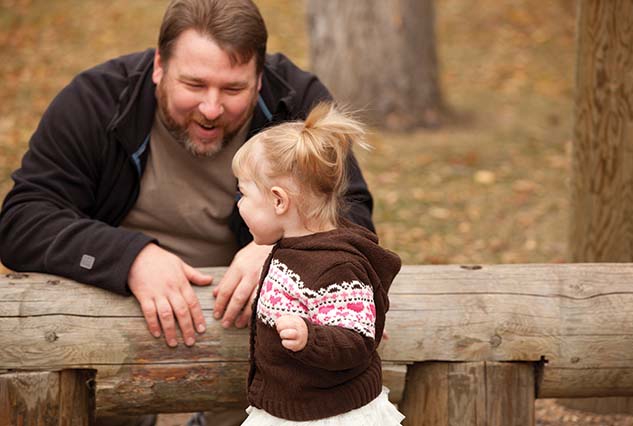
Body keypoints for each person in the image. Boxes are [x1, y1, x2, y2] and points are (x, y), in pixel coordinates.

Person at [0, 1, 373, 424]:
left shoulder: (297, 102)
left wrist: (284, 252)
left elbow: (354, 216)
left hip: (252, 348)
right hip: (114, 329)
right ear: (160, 66)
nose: (211, 109)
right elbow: (22, 221)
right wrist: (128, 257)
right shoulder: (95, 100)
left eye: (233, 90)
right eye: (194, 85)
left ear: (259, 79)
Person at [231, 102, 404, 425]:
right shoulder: (289, 249)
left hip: (330, 416)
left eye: (244, 194)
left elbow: (356, 340)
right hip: (289, 407)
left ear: (279, 200)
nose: (239, 204)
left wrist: (311, 337)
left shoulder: (337, 267)